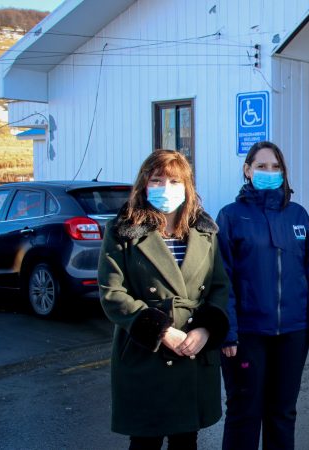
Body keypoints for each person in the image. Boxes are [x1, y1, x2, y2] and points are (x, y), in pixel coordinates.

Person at [98, 150, 230, 450]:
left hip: (192, 350)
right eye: (157, 180)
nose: (165, 188)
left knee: (186, 438)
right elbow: (112, 292)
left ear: (187, 187)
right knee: (146, 440)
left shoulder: (204, 231)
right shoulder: (123, 230)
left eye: (174, 181)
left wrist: (205, 329)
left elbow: (219, 287)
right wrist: (160, 330)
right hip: (147, 350)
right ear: (144, 184)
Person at [216, 141, 309, 450]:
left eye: (276, 167)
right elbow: (220, 279)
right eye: (262, 166)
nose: (270, 172)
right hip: (248, 334)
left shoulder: (297, 215)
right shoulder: (231, 216)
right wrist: (227, 332)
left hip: (292, 333)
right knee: (244, 412)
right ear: (247, 170)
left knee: (283, 413)